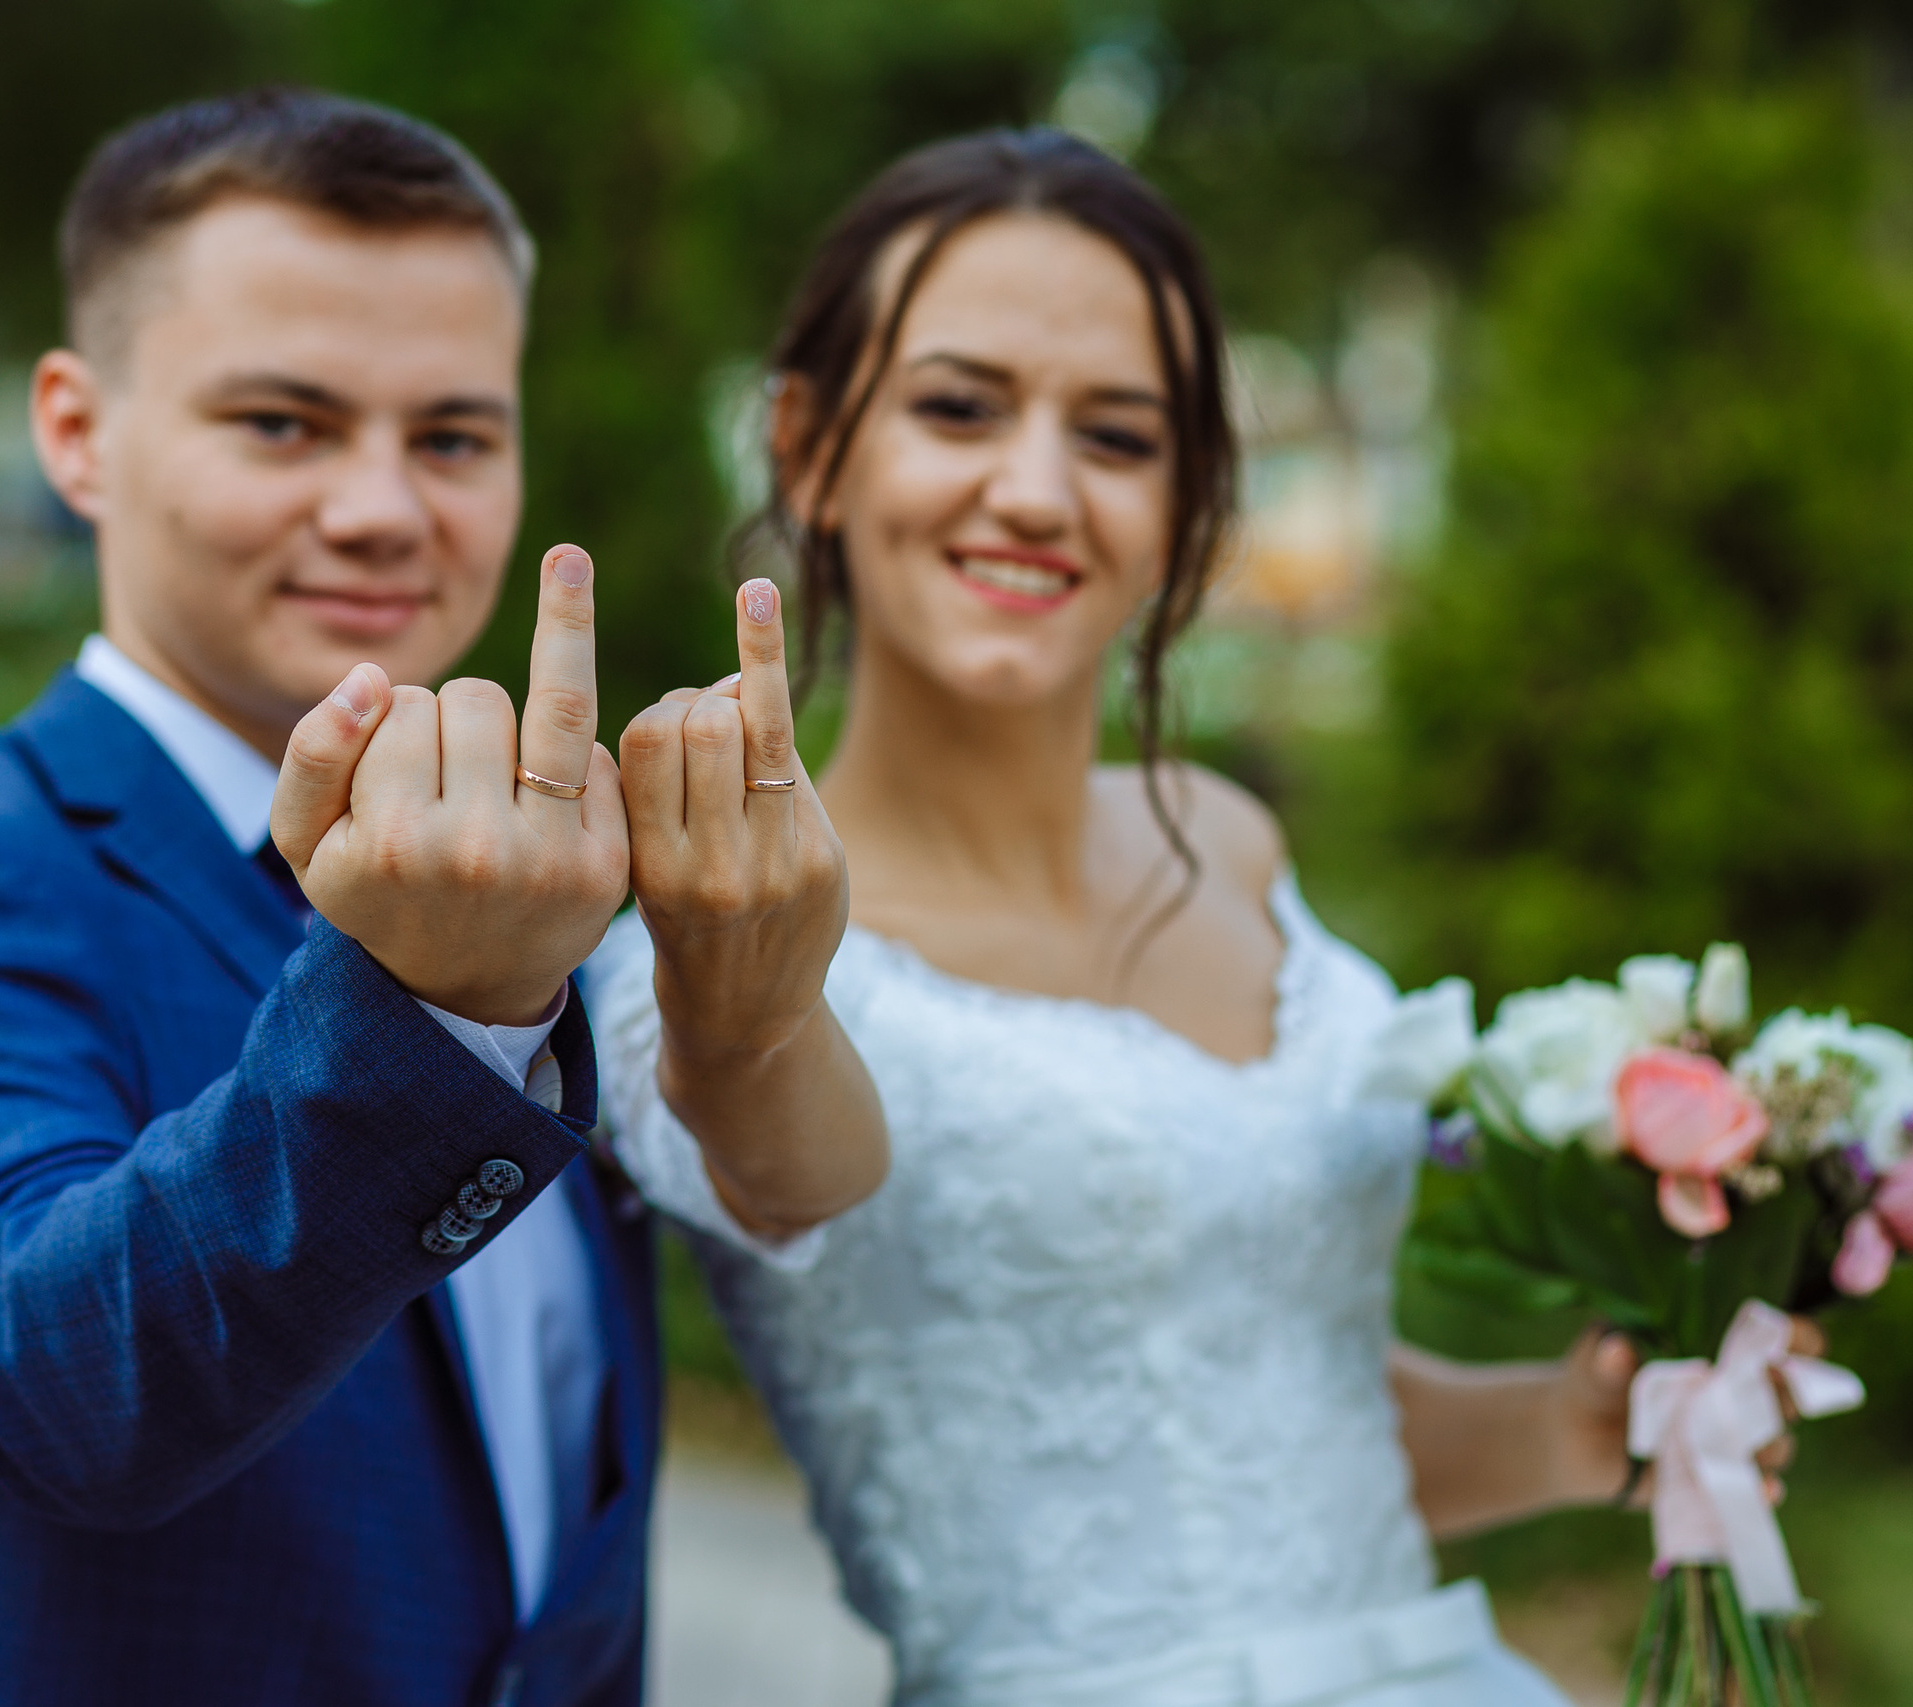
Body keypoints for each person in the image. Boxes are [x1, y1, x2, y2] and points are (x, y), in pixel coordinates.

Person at [0, 88, 883, 1707]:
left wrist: (754, 994)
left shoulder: (538, 862)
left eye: (453, 436)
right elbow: (68, 1395)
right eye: (282, 423)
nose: (381, 509)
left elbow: (789, 1206)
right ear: (76, 431)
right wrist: (436, 1010)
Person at [588, 128, 1648, 1706]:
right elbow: (785, 1160)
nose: (1035, 490)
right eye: (958, 408)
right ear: (808, 447)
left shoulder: (1232, 843)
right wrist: (741, 1005)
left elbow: (1280, 1432)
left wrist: (1590, 1426)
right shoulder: (709, 928)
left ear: (1187, 497)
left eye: (1121, 435)